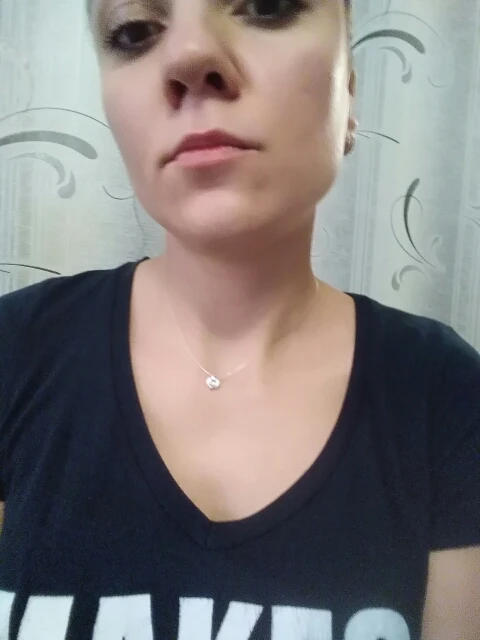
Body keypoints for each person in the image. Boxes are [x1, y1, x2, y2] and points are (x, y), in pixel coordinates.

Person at [0, 0, 479, 637]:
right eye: (134, 31)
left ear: (349, 98)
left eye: (266, 7)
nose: (190, 57)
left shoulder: (450, 398)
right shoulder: (15, 352)